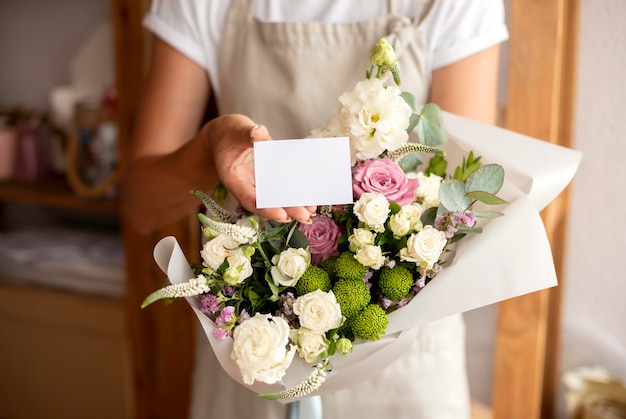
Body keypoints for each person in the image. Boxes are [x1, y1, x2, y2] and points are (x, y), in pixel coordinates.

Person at [122, 1, 508, 418]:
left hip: (405, 361)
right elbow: (143, 206)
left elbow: (462, 202)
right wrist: (212, 144)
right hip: (251, 349)